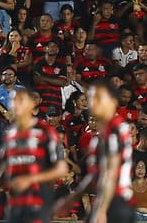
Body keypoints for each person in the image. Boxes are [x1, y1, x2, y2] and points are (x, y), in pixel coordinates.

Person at [0, 88, 68, 223]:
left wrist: (30, 179)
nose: (16, 104)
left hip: (38, 204)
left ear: (32, 104)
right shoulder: (10, 134)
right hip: (15, 205)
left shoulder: (45, 131)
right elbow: (5, 170)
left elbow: (61, 169)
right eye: (13, 100)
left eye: (21, 100)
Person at [57, 81, 136, 223]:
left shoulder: (114, 131)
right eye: (92, 98)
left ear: (112, 101)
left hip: (115, 203)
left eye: (99, 98)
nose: (93, 102)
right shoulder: (101, 133)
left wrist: (101, 209)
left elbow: (110, 174)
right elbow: (96, 174)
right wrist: (74, 197)